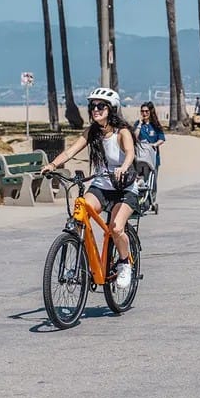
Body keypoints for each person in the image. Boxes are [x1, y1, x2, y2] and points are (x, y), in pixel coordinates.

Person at [41, 87, 138, 289]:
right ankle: (80, 262)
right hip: (101, 187)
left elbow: (130, 153)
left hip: (124, 189)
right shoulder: (91, 132)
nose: (95, 109)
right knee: (80, 212)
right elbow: (70, 152)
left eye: (101, 106)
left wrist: (123, 167)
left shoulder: (122, 133)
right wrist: (52, 165)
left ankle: (124, 263)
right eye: (92, 106)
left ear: (111, 109)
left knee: (116, 228)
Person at [133, 101, 165, 168]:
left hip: (153, 156)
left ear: (150, 111)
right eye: (142, 111)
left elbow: (161, 139)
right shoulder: (137, 123)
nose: (144, 113)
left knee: (153, 174)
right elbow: (134, 137)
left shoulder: (155, 124)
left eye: (146, 111)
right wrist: (139, 125)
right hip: (140, 157)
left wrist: (154, 144)